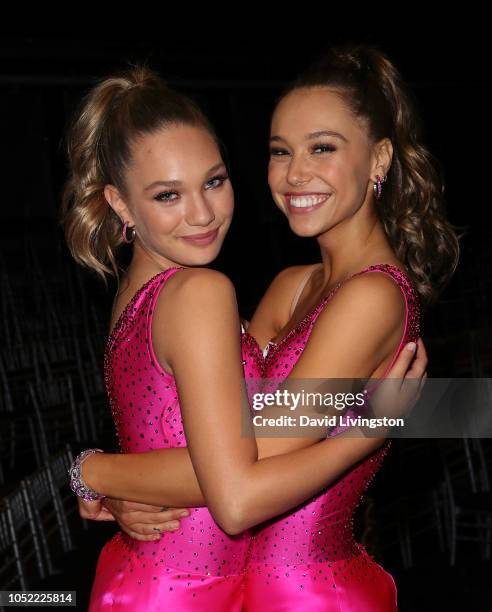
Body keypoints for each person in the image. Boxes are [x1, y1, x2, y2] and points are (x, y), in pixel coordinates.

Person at [61, 55, 430, 611]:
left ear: (378, 157)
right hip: (219, 588)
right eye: (281, 151)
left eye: (322, 147)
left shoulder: (371, 295)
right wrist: (106, 480)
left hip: (302, 595)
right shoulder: (290, 286)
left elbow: (246, 461)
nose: (296, 173)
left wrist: (95, 470)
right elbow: (209, 427)